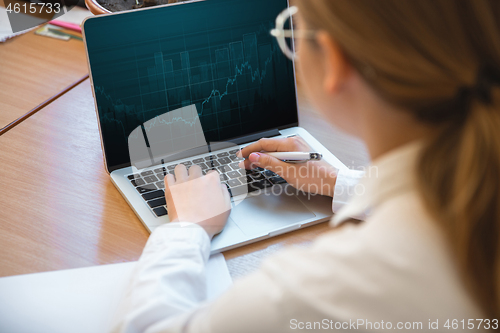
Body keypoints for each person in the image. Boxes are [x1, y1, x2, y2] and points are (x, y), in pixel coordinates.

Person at [111, 0, 500, 332]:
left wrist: (185, 229)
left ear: (332, 59)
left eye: (292, 27)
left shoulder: (324, 290)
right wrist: (344, 183)